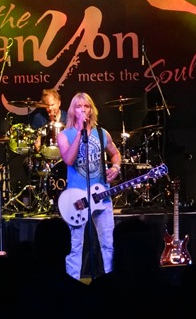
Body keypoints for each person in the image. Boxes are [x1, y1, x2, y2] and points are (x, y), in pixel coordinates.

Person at [56, 92, 121, 280]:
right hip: (76, 199)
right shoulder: (64, 135)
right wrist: (79, 133)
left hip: (102, 196)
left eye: (86, 106)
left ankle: (112, 283)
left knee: (108, 244)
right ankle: (72, 285)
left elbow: (115, 154)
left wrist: (115, 167)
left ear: (91, 110)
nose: (83, 110)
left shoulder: (102, 133)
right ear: (73, 111)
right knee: (74, 247)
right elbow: (68, 160)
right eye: (79, 106)